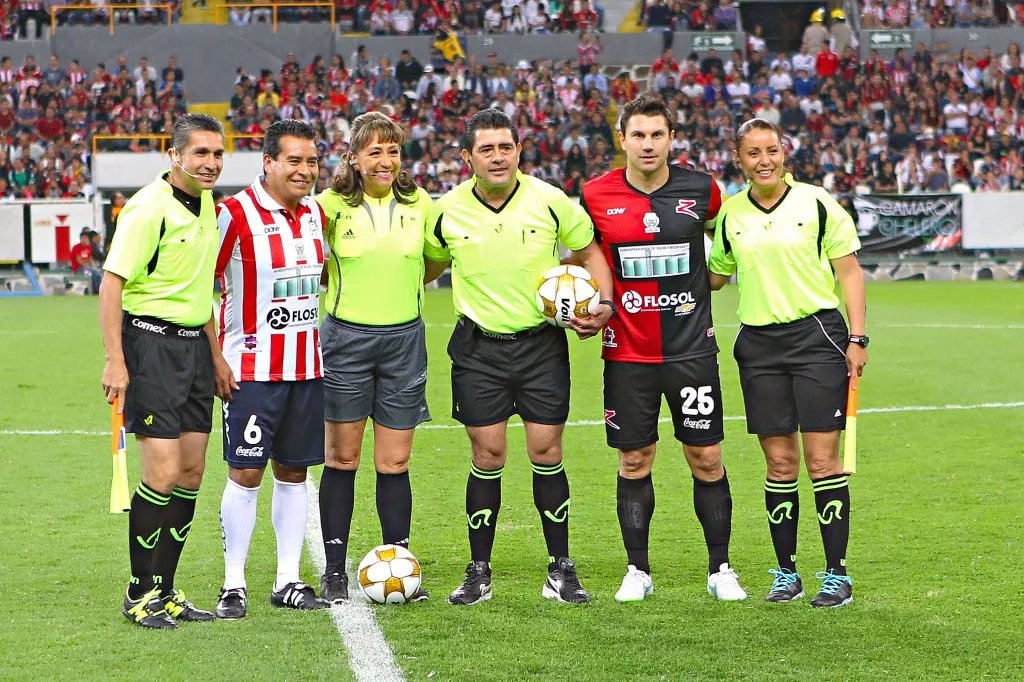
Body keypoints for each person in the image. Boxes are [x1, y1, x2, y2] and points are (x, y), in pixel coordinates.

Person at [423, 109, 615, 606]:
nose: (497, 156)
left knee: (547, 453)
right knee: (487, 455)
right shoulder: (445, 212)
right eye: (485, 149)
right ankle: (479, 571)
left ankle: (560, 569)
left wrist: (605, 303)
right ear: (467, 157)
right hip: (477, 349)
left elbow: (591, 250)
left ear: (519, 150)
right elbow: (424, 266)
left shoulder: (550, 201)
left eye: (505, 147)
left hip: (541, 347)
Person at [579, 94, 747, 603]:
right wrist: (590, 301)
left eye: (657, 135)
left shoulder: (703, 190)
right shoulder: (594, 195)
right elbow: (583, 254)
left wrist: (718, 276)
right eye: (638, 135)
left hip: (692, 351)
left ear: (672, 139)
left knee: (707, 456)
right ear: (622, 140)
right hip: (627, 354)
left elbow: (739, 233)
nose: (648, 144)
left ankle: (721, 567)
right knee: (635, 460)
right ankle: (637, 570)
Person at [708, 118, 868, 608]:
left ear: (785, 153)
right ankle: (785, 573)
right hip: (758, 345)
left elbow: (850, 272)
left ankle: (836, 575)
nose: (764, 160)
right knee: (779, 463)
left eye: (772, 150)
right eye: (753, 153)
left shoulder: (818, 203)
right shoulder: (731, 213)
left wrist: (858, 337)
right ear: (739, 160)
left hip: (817, 338)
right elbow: (715, 276)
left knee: (822, 461)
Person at [99, 113, 231, 629]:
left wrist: (216, 354)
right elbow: (113, 284)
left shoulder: (205, 203)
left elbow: (202, 290)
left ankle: (168, 590)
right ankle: (139, 592)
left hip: (195, 349)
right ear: (174, 156)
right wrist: (116, 359)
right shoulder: (146, 209)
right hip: (150, 346)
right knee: (162, 473)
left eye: (217, 154)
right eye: (200, 153)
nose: (210, 163)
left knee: (192, 472)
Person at [314, 111, 434, 604]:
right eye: (375, 152)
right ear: (354, 158)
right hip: (346, 342)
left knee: (395, 460)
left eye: (393, 151)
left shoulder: (421, 203)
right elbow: (313, 267)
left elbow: (434, 264)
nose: (385, 161)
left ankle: (398, 559)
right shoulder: (327, 206)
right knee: (342, 457)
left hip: (405, 340)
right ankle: (336, 569)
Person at [213, 120, 329, 619]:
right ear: (268, 162)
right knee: (245, 471)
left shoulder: (316, 214)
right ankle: (233, 583)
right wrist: (215, 358)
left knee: (295, 472)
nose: (305, 170)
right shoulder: (233, 213)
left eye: (311, 161)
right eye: (294, 161)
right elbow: (204, 284)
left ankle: (288, 579)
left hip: (307, 368)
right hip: (251, 369)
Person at [71, 228, 101, 294]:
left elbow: (90, 260)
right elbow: (79, 261)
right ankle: (93, 291)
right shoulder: (76, 247)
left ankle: (98, 290)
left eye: (86, 238)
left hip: (87, 268)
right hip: (79, 269)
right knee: (90, 274)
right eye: (83, 238)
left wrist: (95, 268)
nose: (84, 240)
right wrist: (89, 268)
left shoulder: (88, 247)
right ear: (80, 239)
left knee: (97, 274)